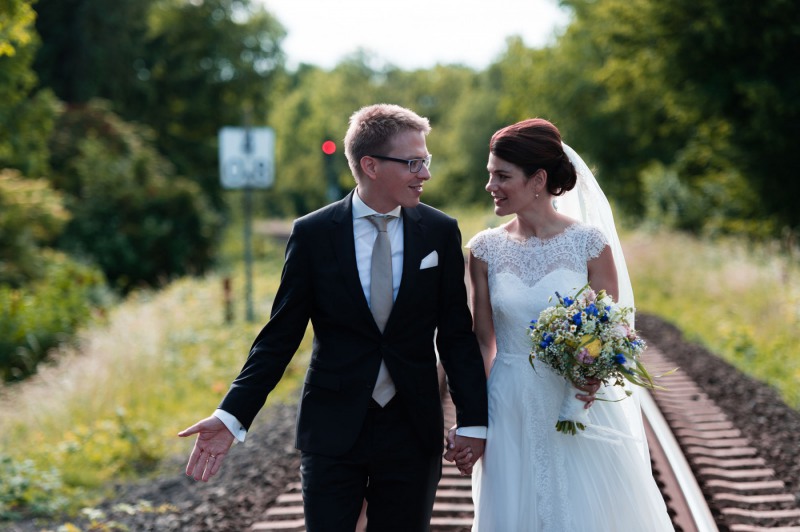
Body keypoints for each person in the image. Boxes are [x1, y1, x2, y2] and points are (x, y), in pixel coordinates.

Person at [178, 103, 488, 531]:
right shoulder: (313, 234)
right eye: (414, 162)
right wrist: (232, 415)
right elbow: (279, 336)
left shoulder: (439, 231)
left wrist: (473, 420)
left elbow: (456, 335)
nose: (425, 174)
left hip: (412, 429)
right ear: (371, 165)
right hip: (332, 430)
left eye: (426, 161)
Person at [458, 118, 673, 530]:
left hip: (573, 400)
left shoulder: (589, 244)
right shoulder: (484, 250)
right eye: (490, 175)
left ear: (537, 179)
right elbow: (483, 342)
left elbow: (613, 329)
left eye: (502, 176)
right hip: (509, 404)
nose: (491, 186)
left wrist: (591, 375)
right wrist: (474, 419)